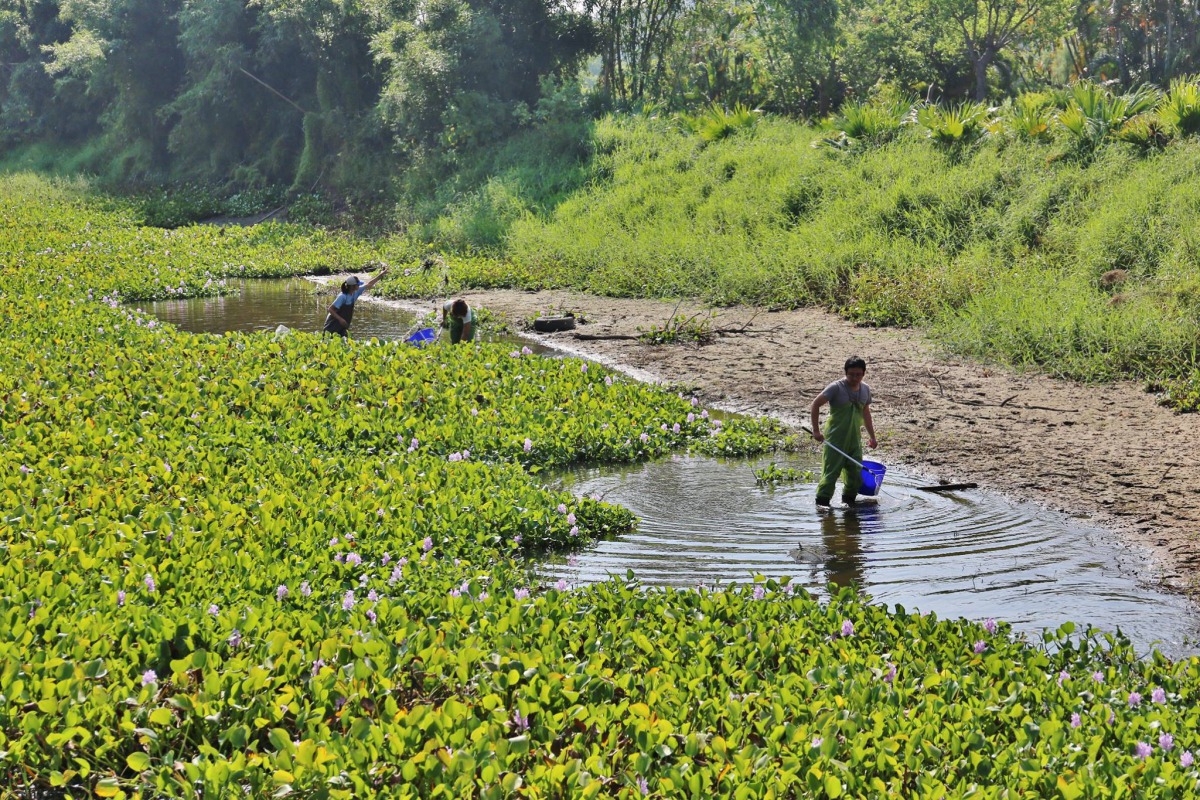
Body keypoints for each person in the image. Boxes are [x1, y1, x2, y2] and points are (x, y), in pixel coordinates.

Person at [810, 356, 877, 507]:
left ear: (864, 373)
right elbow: (815, 404)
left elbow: (866, 413)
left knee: (855, 473)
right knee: (830, 474)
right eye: (851, 374)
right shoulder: (836, 387)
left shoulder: (865, 389)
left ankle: (849, 504)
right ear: (845, 373)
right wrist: (816, 431)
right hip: (835, 439)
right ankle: (822, 506)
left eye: (858, 374)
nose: (854, 378)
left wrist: (872, 437)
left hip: (854, 439)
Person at [322, 267, 387, 337]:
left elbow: (369, 284)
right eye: (357, 284)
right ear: (352, 286)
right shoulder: (342, 296)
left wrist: (381, 274)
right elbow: (330, 309)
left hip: (343, 326)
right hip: (332, 325)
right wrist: (341, 320)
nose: (359, 285)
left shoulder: (356, 292)